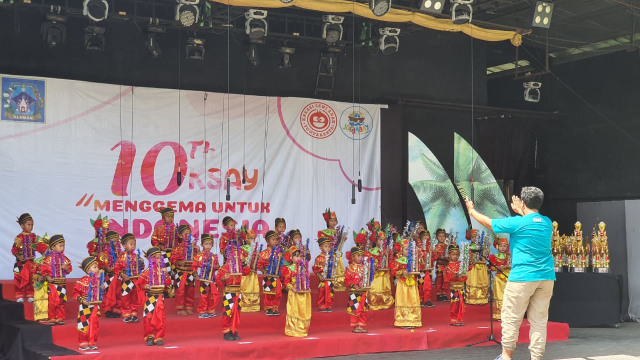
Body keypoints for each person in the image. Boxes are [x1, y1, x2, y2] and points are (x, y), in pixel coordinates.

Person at [465, 186, 555, 360]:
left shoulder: (517, 223)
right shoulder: (547, 222)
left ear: (522, 202)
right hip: (546, 277)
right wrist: (521, 210)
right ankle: (536, 358)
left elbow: (490, 223)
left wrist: (472, 210)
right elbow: (530, 221)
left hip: (522, 277)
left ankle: (506, 357)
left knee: (511, 318)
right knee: (539, 321)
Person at [216, 240, 251, 341]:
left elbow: (247, 271)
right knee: (227, 312)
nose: (234, 254)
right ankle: (226, 331)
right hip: (228, 293)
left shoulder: (240, 267)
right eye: (231, 252)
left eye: (236, 252)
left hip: (238, 293)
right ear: (227, 255)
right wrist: (223, 278)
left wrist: (243, 262)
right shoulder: (223, 269)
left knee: (237, 312)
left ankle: (233, 329)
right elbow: (218, 282)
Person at [136, 247, 171, 346]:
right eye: (156, 258)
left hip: (160, 296)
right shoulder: (146, 272)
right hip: (150, 297)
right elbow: (139, 284)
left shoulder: (163, 271)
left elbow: (168, 283)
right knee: (148, 317)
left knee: (160, 317)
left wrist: (166, 274)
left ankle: (158, 336)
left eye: (160, 258)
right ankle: (150, 336)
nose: (159, 260)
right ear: (150, 259)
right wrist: (145, 286)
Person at [39, 234, 72, 325]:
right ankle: (52, 317)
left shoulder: (65, 259)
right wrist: (47, 277)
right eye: (60, 246)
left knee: (61, 301)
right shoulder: (48, 259)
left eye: (63, 246)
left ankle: (60, 317)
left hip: (61, 283)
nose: (62, 248)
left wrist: (66, 268)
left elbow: (69, 269)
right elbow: (44, 270)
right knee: (52, 301)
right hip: (52, 284)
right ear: (53, 247)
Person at [281, 246, 312, 337]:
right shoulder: (289, 268)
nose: (299, 258)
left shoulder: (303, 268)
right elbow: (286, 282)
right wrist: (292, 288)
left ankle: (303, 328)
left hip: (304, 292)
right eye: (296, 256)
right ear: (291, 257)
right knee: (295, 310)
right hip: (294, 293)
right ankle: (293, 329)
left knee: (303, 310)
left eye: (300, 256)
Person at [113, 233, 144, 323]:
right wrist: (123, 275)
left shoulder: (136, 256)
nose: (133, 246)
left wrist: (141, 263)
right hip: (126, 282)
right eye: (131, 244)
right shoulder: (121, 257)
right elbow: (117, 269)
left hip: (135, 281)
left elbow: (140, 268)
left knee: (135, 298)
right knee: (126, 298)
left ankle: (134, 314)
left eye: (134, 244)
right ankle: (126, 314)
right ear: (124, 246)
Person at [390, 239, 421, 328]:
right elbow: (394, 272)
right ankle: (403, 321)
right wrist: (401, 272)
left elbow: (419, 268)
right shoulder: (398, 260)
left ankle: (413, 320)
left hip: (412, 284)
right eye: (406, 249)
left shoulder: (414, 260)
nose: (408, 251)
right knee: (403, 301)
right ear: (401, 250)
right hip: (403, 285)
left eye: (410, 249)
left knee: (413, 301)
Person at [73, 257, 102, 351]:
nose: (97, 269)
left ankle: (92, 341)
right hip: (85, 306)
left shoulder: (98, 280)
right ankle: (83, 342)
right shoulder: (82, 281)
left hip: (95, 305)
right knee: (84, 323)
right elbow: (75, 294)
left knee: (94, 323)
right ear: (88, 269)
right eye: (94, 267)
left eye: (97, 267)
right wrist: (82, 300)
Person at [150, 208, 179, 298]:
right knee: (165, 272)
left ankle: (175, 291)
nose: (170, 219)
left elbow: (181, 241)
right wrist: (160, 246)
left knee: (174, 272)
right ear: (163, 217)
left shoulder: (176, 229)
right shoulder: (159, 229)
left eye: (172, 217)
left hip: (174, 254)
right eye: (168, 217)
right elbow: (153, 239)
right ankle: (166, 290)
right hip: (164, 254)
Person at [171, 224, 199, 315]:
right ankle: (180, 308)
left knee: (190, 290)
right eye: (185, 234)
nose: (188, 236)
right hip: (181, 272)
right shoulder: (178, 248)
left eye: (189, 234)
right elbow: (173, 259)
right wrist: (179, 262)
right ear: (180, 235)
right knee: (180, 290)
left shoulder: (193, 247)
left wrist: (198, 251)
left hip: (190, 271)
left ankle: (188, 306)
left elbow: (197, 259)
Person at [442, 243, 471, 326]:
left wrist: (470, 259)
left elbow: (468, 269)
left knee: (461, 303)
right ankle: (454, 319)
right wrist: (456, 276)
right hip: (454, 288)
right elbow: (450, 277)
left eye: (457, 254)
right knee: (455, 303)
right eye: (453, 254)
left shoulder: (460, 264)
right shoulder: (448, 266)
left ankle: (460, 318)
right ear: (449, 255)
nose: (455, 256)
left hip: (461, 287)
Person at [12, 213, 38, 303]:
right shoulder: (19, 237)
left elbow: (39, 247)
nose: (31, 227)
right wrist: (19, 256)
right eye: (28, 225)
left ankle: (30, 294)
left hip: (31, 262)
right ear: (22, 225)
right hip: (21, 263)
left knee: (31, 279)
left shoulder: (34, 237)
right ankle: (19, 295)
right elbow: (14, 249)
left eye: (32, 225)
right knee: (19, 278)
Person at [192, 233, 220, 318]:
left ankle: (211, 310)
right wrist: (195, 274)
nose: (208, 246)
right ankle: (202, 311)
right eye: (206, 244)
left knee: (213, 295)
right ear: (202, 245)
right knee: (204, 295)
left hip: (212, 279)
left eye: (210, 244)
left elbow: (217, 266)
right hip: (204, 280)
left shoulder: (214, 256)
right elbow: (194, 266)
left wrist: (217, 267)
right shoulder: (199, 256)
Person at [258, 230, 283, 316]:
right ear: (267, 241)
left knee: (277, 293)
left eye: (276, 239)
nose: (275, 241)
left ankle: (275, 308)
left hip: (276, 277)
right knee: (269, 293)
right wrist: (264, 271)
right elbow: (259, 264)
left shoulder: (279, 253)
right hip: (268, 276)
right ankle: (268, 308)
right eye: (273, 239)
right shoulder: (264, 253)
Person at [345, 246, 370, 333]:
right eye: (358, 256)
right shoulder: (350, 268)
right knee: (354, 310)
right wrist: (354, 286)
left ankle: (361, 325)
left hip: (363, 292)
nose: (360, 258)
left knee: (363, 310)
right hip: (354, 293)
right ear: (353, 257)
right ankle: (355, 326)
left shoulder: (365, 267)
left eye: (361, 256)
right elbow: (347, 280)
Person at [367, 230, 394, 310]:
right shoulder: (371, 251)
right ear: (376, 241)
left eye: (383, 240)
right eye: (380, 240)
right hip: (376, 274)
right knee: (376, 288)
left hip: (384, 274)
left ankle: (385, 302)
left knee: (384, 288)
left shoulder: (387, 251)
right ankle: (374, 302)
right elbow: (368, 262)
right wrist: (373, 266)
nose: (382, 242)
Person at [99, 230, 123, 318]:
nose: (116, 243)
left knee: (117, 292)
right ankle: (108, 309)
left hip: (118, 277)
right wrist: (106, 267)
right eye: (113, 241)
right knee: (108, 293)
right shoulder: (103, 254)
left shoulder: (120, 254)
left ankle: (116, 309)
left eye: (117, 241)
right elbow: (101, 265)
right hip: (108, 277)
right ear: (108, 242)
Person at [239, 226, 261, 312]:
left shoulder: (256, 249)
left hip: (253, 272)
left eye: (253, 239)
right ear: (246, 239)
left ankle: (253, 305)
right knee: (245, 287)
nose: (252, 240)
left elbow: (258, 260)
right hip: (245, 273)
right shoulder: (242, 249)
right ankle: (244, 304)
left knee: (253, 288)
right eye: (250, 238)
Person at [489, 237, 511, 320]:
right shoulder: (493, 256)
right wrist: (499, 267)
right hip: (499, 278)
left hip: (508, 277)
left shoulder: (509, 256)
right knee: (499, 296)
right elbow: (491, 268)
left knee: (509, 295)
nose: (502, 248)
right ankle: (499, 315)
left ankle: (509, 315)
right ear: (497, 246)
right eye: (501, 246)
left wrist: (509, 266)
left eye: (505, 246)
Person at [312, 237, 334, 312]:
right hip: (322, 279)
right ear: (321, 247)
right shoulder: (318, 258)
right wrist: (319, 275)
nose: (328, 248)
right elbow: (315, 268)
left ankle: (328, 305)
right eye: (325, 246)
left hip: (329, 279)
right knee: (322, 291)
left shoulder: (331, 258)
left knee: (330, 291)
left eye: (329, 246)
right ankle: (321, 305)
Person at [433, 228, 449, 301]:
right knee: (439, 279)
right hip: (439, 265)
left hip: (446, 265)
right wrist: (440, 257)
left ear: (445, 237)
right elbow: (434, 256)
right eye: (440, 236)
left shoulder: (447, 246)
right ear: (436, 237)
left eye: (443, 236)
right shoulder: (436, 247)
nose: (441, 238)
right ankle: (439, 294)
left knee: (445, 279)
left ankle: (444, 293)